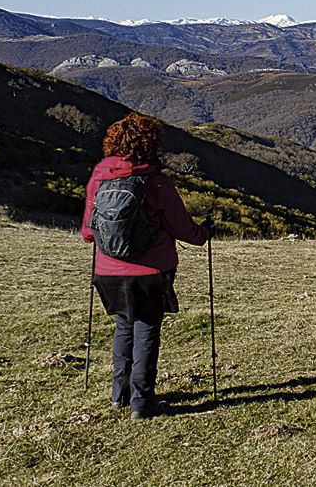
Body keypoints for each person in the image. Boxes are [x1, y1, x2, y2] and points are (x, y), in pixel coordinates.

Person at [80, 112, 212, 419]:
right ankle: (142, 401)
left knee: (123, 327)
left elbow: (89, 230)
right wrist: (205, 232)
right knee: (147, 331)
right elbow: (184, 230)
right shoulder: (157, 182)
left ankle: (119, 395)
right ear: (152, 145)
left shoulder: (100, 175)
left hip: (108, 270)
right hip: (152, 271)